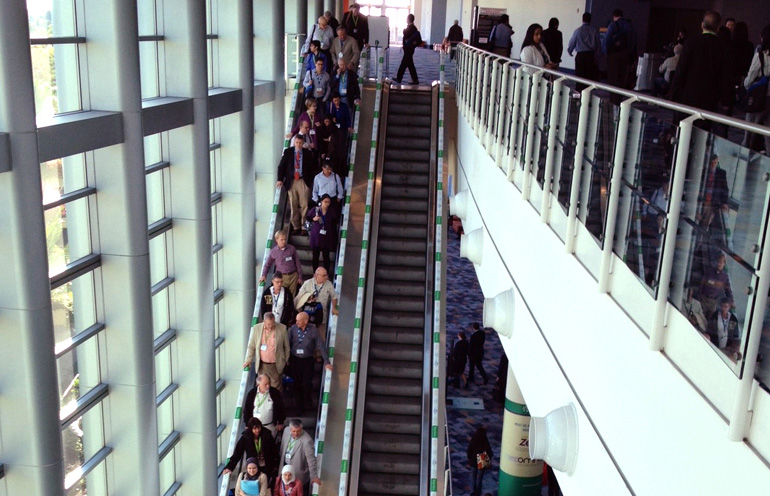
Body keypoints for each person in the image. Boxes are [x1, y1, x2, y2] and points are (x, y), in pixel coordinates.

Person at [670, 11, 732, 116]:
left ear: (702, 25)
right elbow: (725, 76)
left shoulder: (691, 42)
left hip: (688, 95)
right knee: (703, 129)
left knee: (684, 127)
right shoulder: (723, 47)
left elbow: (681, 70)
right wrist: (726, 100)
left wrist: (673, 94)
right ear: (718, 27)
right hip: (710, 98)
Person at [287, 312, 333, 414]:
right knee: (297, 384)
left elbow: (321, 346)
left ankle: (308, 400)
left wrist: (326, 361)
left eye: (299, 320)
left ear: (306, 321)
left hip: (307, 361)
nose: (296, 322)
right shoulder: (293, 329)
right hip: (295, 360)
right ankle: (299, 408)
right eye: (296, 320)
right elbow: (287, 344)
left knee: (306, 383)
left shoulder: (313, 331)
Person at [276, 135, 316, 236]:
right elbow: (281, 166)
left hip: (303, 181)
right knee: (293, 204)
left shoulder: (307, 153)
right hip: (292, 180)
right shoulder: (288, 152)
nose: (298, 145)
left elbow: (313, 168)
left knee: (304, 205)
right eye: (297, 142)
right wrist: (280, 179)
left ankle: (304, 227)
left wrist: (310, 182)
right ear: (294, 142)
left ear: (303, 143)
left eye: (300, 143)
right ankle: (296, 226)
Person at [244, 312, 290, 392]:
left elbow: (286, 347)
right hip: (261, 365)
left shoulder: (282, 328)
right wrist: (248, 360)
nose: (271, 326)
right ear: (264, 321)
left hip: (275, 365)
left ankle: (275, 404)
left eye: (272, 323)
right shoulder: (256, 328)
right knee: (262, 387)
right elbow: (251, 346)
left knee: (276, 389)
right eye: (268, 324)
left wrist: (284, 360)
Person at [742, 25, 770, 153]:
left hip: (759, 99)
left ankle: (742, 167)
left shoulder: (760, 56)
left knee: (748, 137)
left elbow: (749, 79)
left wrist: (748, 87)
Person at [602, 8, 637, 104]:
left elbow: (607, 40)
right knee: (622, 79)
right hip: (625, 56)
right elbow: (633, 43)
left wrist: (606, 53)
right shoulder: (629, 26)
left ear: (614, 16)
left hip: (613, 57)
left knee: (613, 79)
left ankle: (613, 99)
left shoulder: (613, 25)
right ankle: (619, 99)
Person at [294, 267, 339, 339]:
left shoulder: (328, 284)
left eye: (326, 275)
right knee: (306, 338)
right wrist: (308, 298)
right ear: (316, 276)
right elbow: (299, 297)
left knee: (320, 337)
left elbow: (334, 297)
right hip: (307, 316)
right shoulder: (307, 283)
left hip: (321, 316)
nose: (326, 277)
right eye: (324, 275)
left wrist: (334, 307)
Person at [279, 420, 320, 495]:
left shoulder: (307, 441)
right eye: (294, 431)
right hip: (285, 467)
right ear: (290, 429)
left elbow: (311, 460)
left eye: (298, 431)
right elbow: (282, 447)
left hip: (298, 472)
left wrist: (314, 476)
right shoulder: (286, 430)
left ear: (302, 429)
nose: (296, 434)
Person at [260, 230, 302, 295]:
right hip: (282, 277)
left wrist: (300, 276)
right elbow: (267, 265)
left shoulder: (291, 248)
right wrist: (263, 275)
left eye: (285, 239)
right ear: (276, 240)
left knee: (292, 296)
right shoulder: (273, 252)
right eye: (281, 240)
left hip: (293, 276)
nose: (284, 241)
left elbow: (297, 263)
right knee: (282, 295)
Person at [305, 195, 338, 273]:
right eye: (325, 202)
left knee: (326, 256)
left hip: (327, 236)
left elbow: (334, 223)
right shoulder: (315, 210)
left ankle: (326, 273)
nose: (327, 204)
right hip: (316, 237)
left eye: (328, 202)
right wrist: (313, 219)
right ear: (321, 202)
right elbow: (308, 217)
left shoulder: (331, 211)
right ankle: (315, 273)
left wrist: (333, 236)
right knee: (315, 256)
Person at [568, 12, 601, 91]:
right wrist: (598, 57)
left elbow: (572, 42)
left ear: (582, 19)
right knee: (589, 78)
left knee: (579, 78)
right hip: (591, 56)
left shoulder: (578, 31)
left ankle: (578, 96)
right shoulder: (594, 31)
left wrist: (570, 51)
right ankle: (588, 96)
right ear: (590, 20)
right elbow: (598, 44)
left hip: (581, 56)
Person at [699, 154, 730, 232]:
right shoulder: (703, 171)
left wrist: (724, 203)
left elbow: (725, 188)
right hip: (702, 200)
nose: (713, 165)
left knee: (705, 223)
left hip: (712, 202)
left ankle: (700, 234)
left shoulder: (721, 173)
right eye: (711, 163)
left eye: (715, 163)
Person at [699, 253, 734, 319]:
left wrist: (732, 301)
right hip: (703, 299)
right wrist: (700, 295)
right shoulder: (709, 271)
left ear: (724, 264)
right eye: (718, 262)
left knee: (710, 319)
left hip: (713, 301)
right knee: (701, 317)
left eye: (721, 262)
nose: (719, 264)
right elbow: (702, 283)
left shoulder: (724, 277)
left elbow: (728, 290)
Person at [394, 14, 421, 85]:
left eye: (407, 18)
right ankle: (415, 79)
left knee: (403, 63)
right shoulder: (413, 27)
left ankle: (399, 78)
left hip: (409, 49)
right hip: (409, 49)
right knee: (410, 64)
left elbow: (406, 34)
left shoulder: (411, 27)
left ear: (409, 19)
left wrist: (404, 30)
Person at [467, 426, 493, 496]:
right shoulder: (485, 442)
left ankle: (472, 491)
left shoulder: (474, 440)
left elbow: (469, 450)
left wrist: (469, 458)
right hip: (482, 460)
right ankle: (478, 492)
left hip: (473, 460)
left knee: (472, 476)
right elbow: (489, 452)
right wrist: (488, 459)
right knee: (479, 478)